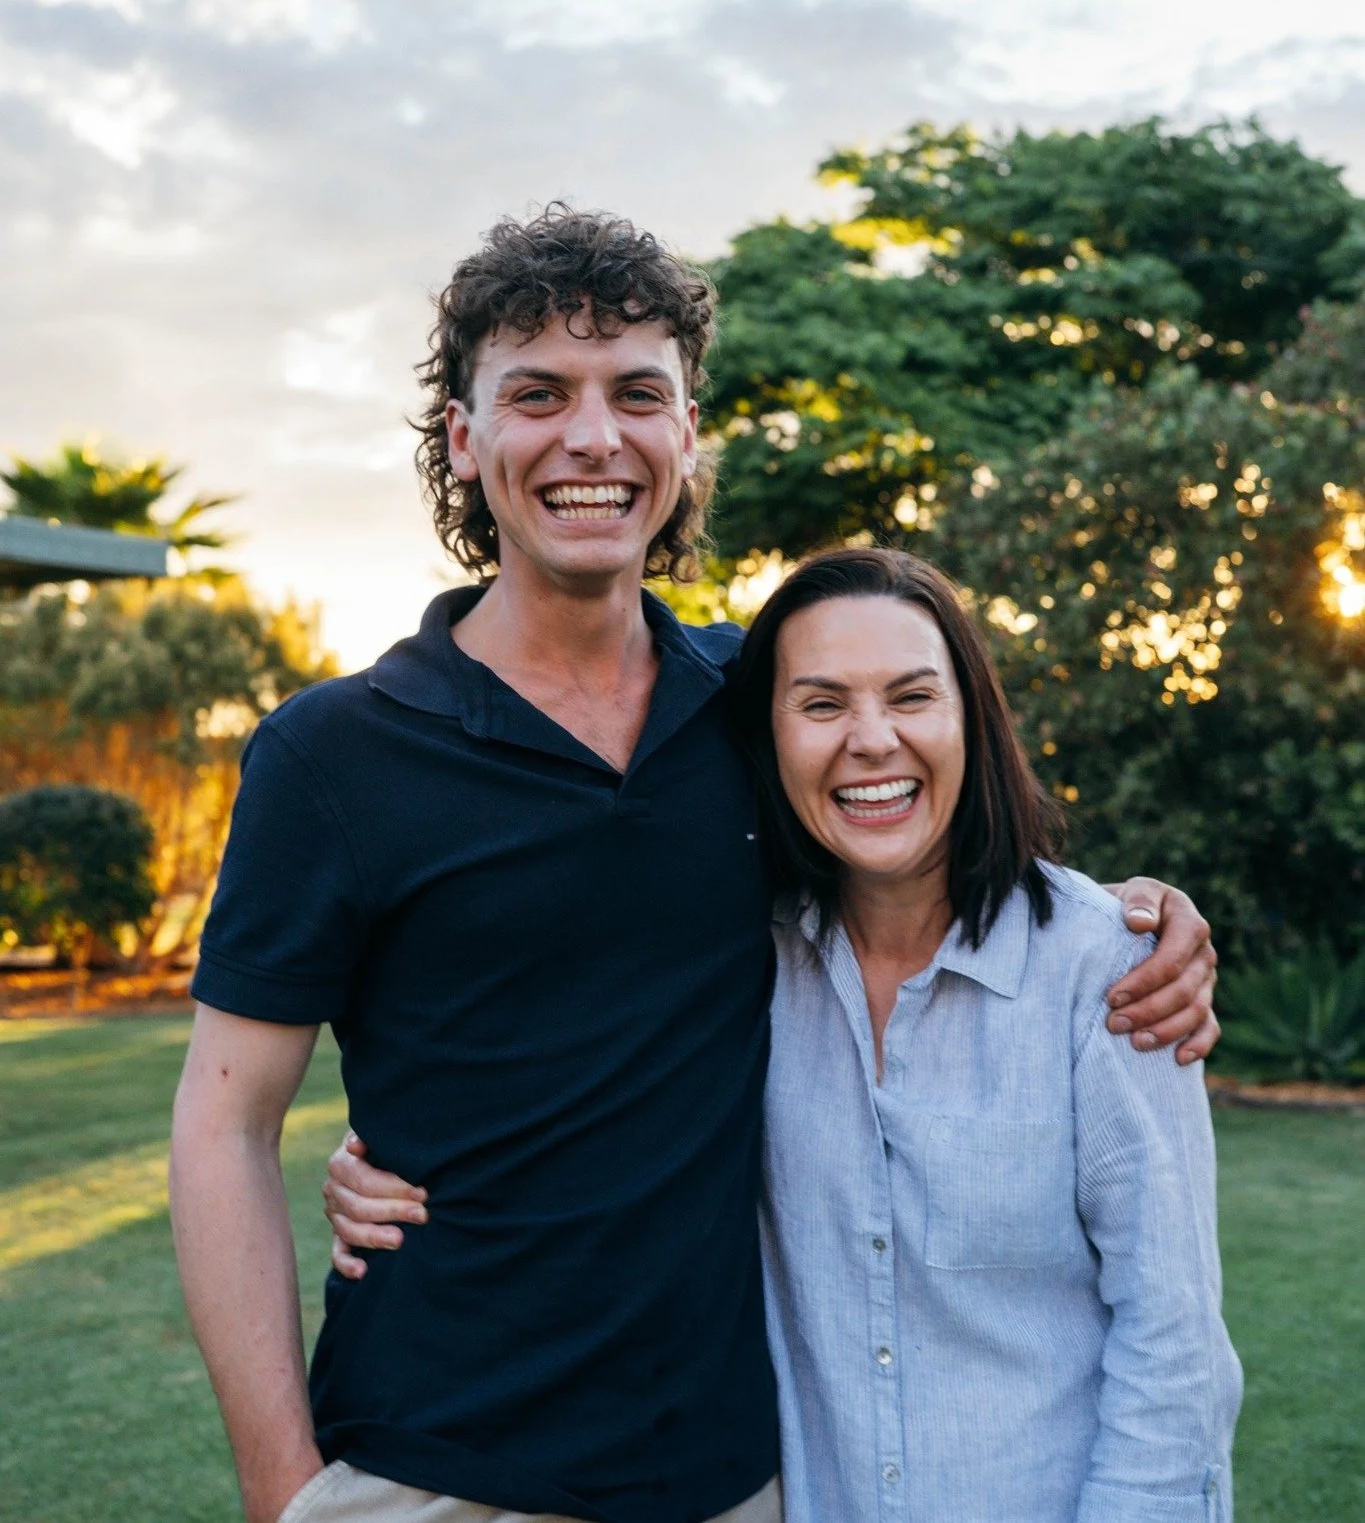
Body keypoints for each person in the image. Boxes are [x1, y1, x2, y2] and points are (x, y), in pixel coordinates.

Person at [171, 205, 1218, 1523]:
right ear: (462, 437)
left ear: (685, 434)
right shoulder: (332, 756)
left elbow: (921, 840)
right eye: (538, 392)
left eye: (637, 393)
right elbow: (223, 1121)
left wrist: (1151, 917)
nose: (592, 437)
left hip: (732, 1471)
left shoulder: (756, 703)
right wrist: (282, 1489)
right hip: (426, 1468)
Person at [336, 546, 1242, 1523]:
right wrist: (391, 1152)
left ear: (973, 718)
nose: (872, 738)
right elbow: (587, 1083)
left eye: (912, 696)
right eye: (820, 704)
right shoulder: (746, 964)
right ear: (768, 739)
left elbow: (1174, 1348)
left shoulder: (1111, 972)